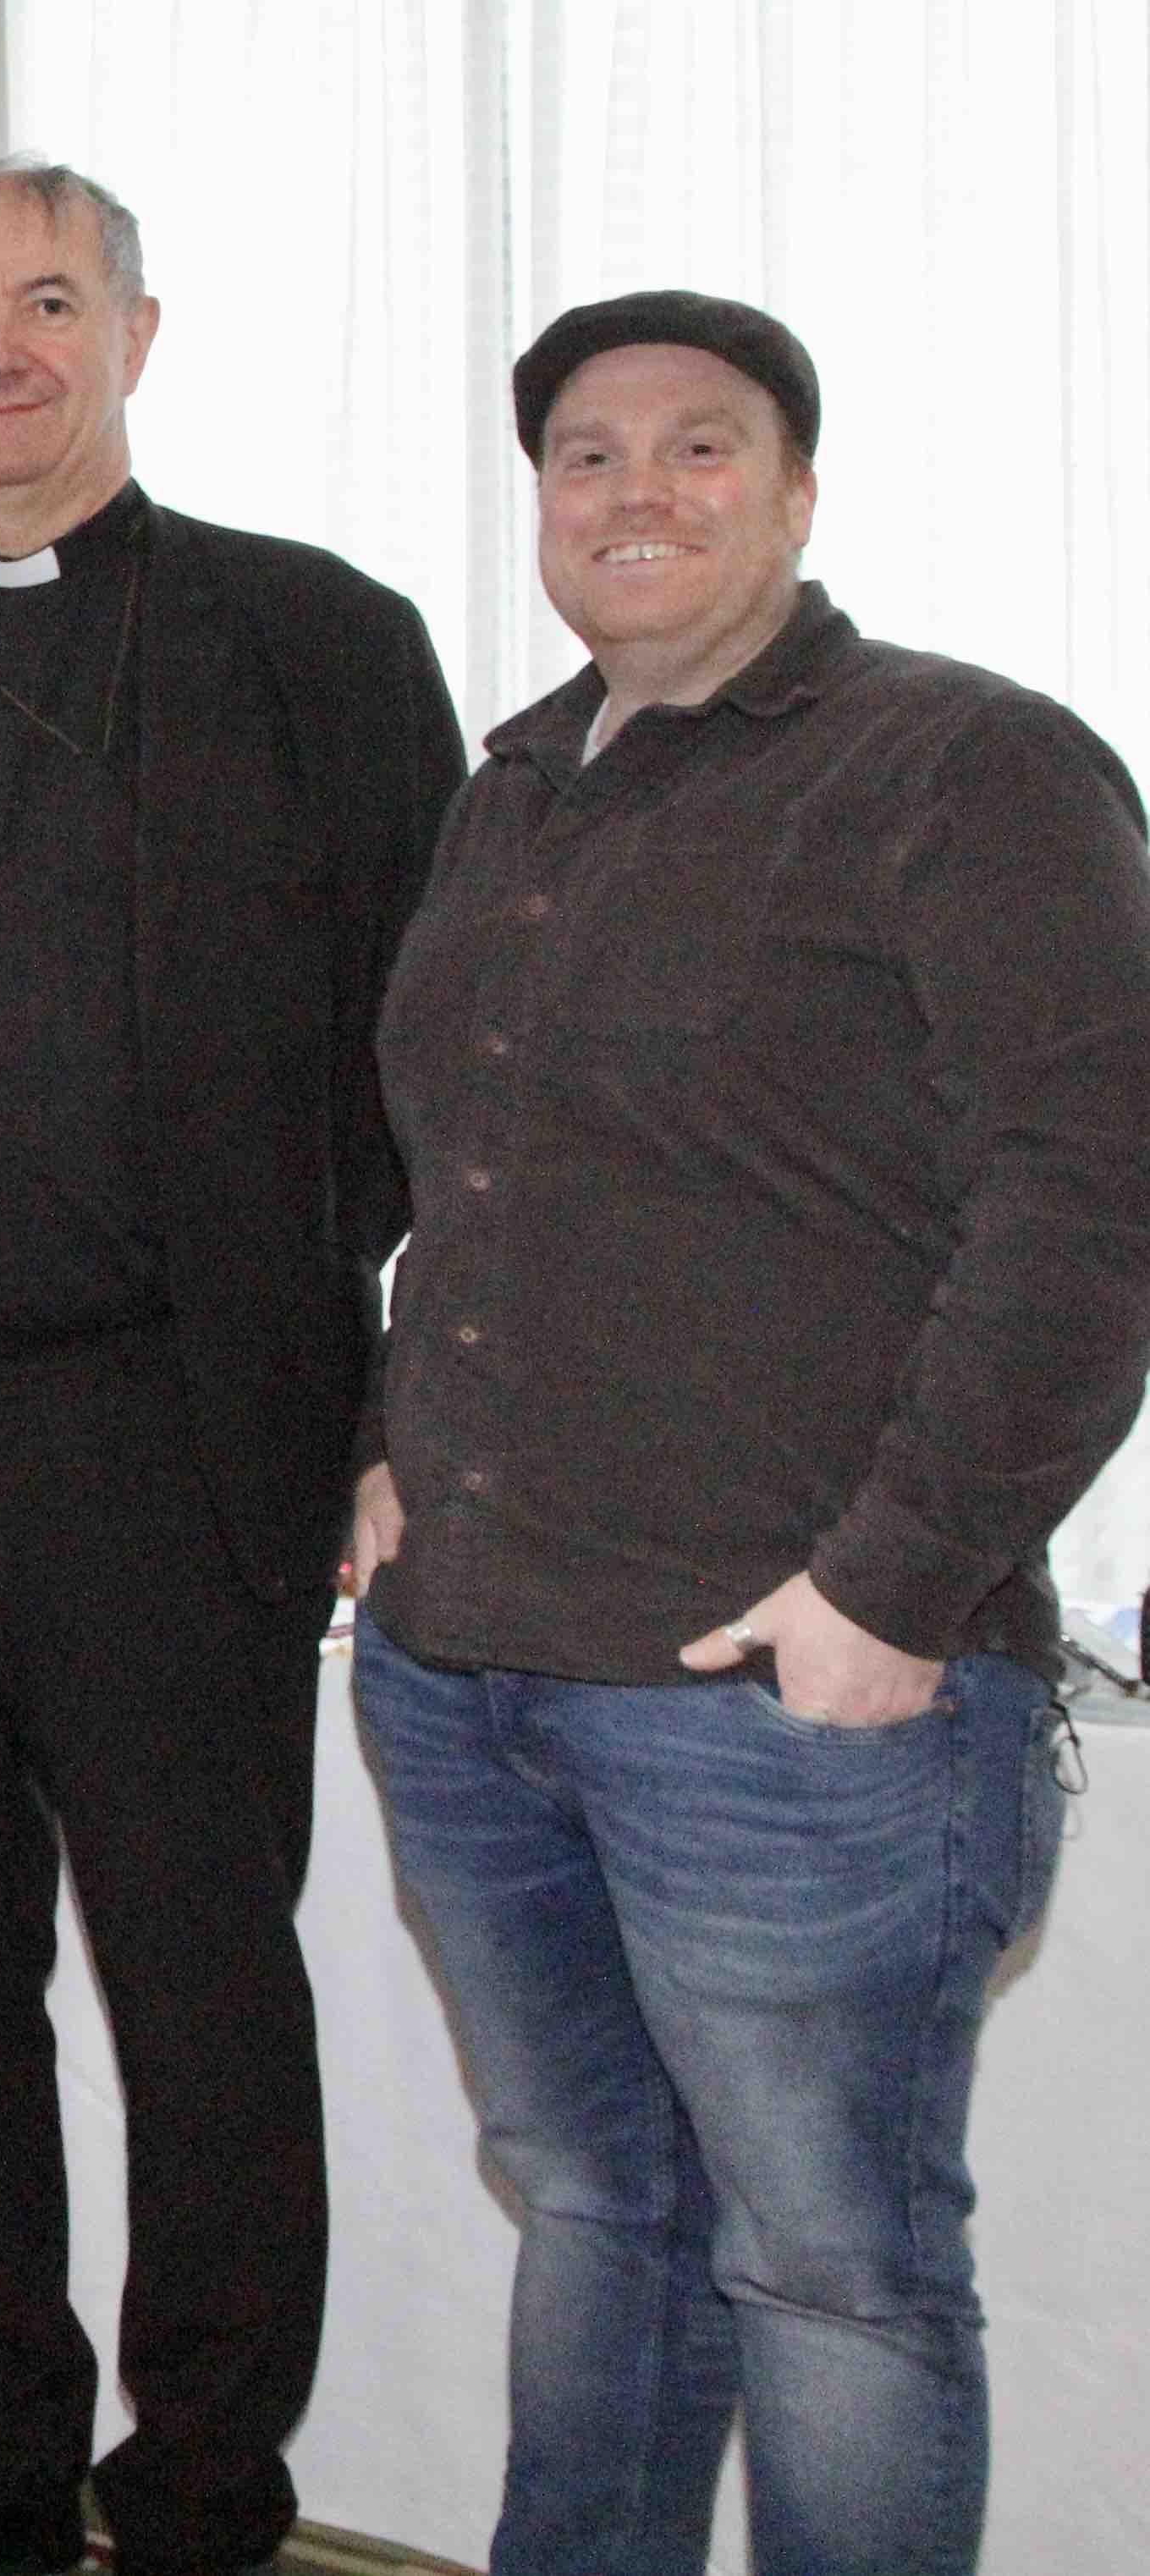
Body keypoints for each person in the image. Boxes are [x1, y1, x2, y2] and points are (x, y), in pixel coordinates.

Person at [350, 290, 1150, 2576]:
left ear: (794, 496)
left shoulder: (962, 767)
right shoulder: (508, 788)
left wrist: (888, 1591)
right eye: (583, 456)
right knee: (594, 2205)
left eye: (697, 449)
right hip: (468, 1670)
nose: (632, 494)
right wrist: (379, 1447)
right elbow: (446, 1179)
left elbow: (1084, 1206)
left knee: (827, 2277)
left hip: (791, 1712)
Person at [0, 159, 465, 2576]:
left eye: (47, 301)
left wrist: (367, 1399)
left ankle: (208, 2501)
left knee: (197, 2016)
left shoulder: (317, 639)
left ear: (136, 333)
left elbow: (419, 1063)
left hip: (166, 1444)